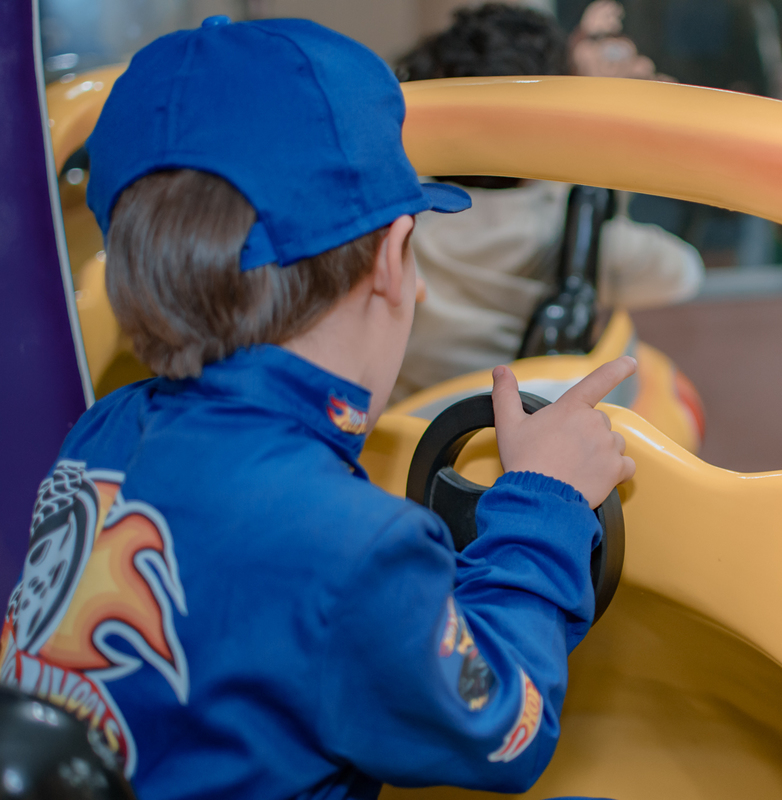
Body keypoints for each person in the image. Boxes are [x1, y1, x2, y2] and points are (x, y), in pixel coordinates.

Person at [0, 16, 636, 799]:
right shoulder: (358, 546)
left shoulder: (97, 435)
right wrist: (548, 503)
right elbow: (507, 728)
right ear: (394, 263)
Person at [390, 3, 703, 402]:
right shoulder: (561, 230)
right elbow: (682, 273)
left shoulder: (400, 221)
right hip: (522, 430)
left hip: (414, 434)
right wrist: (607, 143)